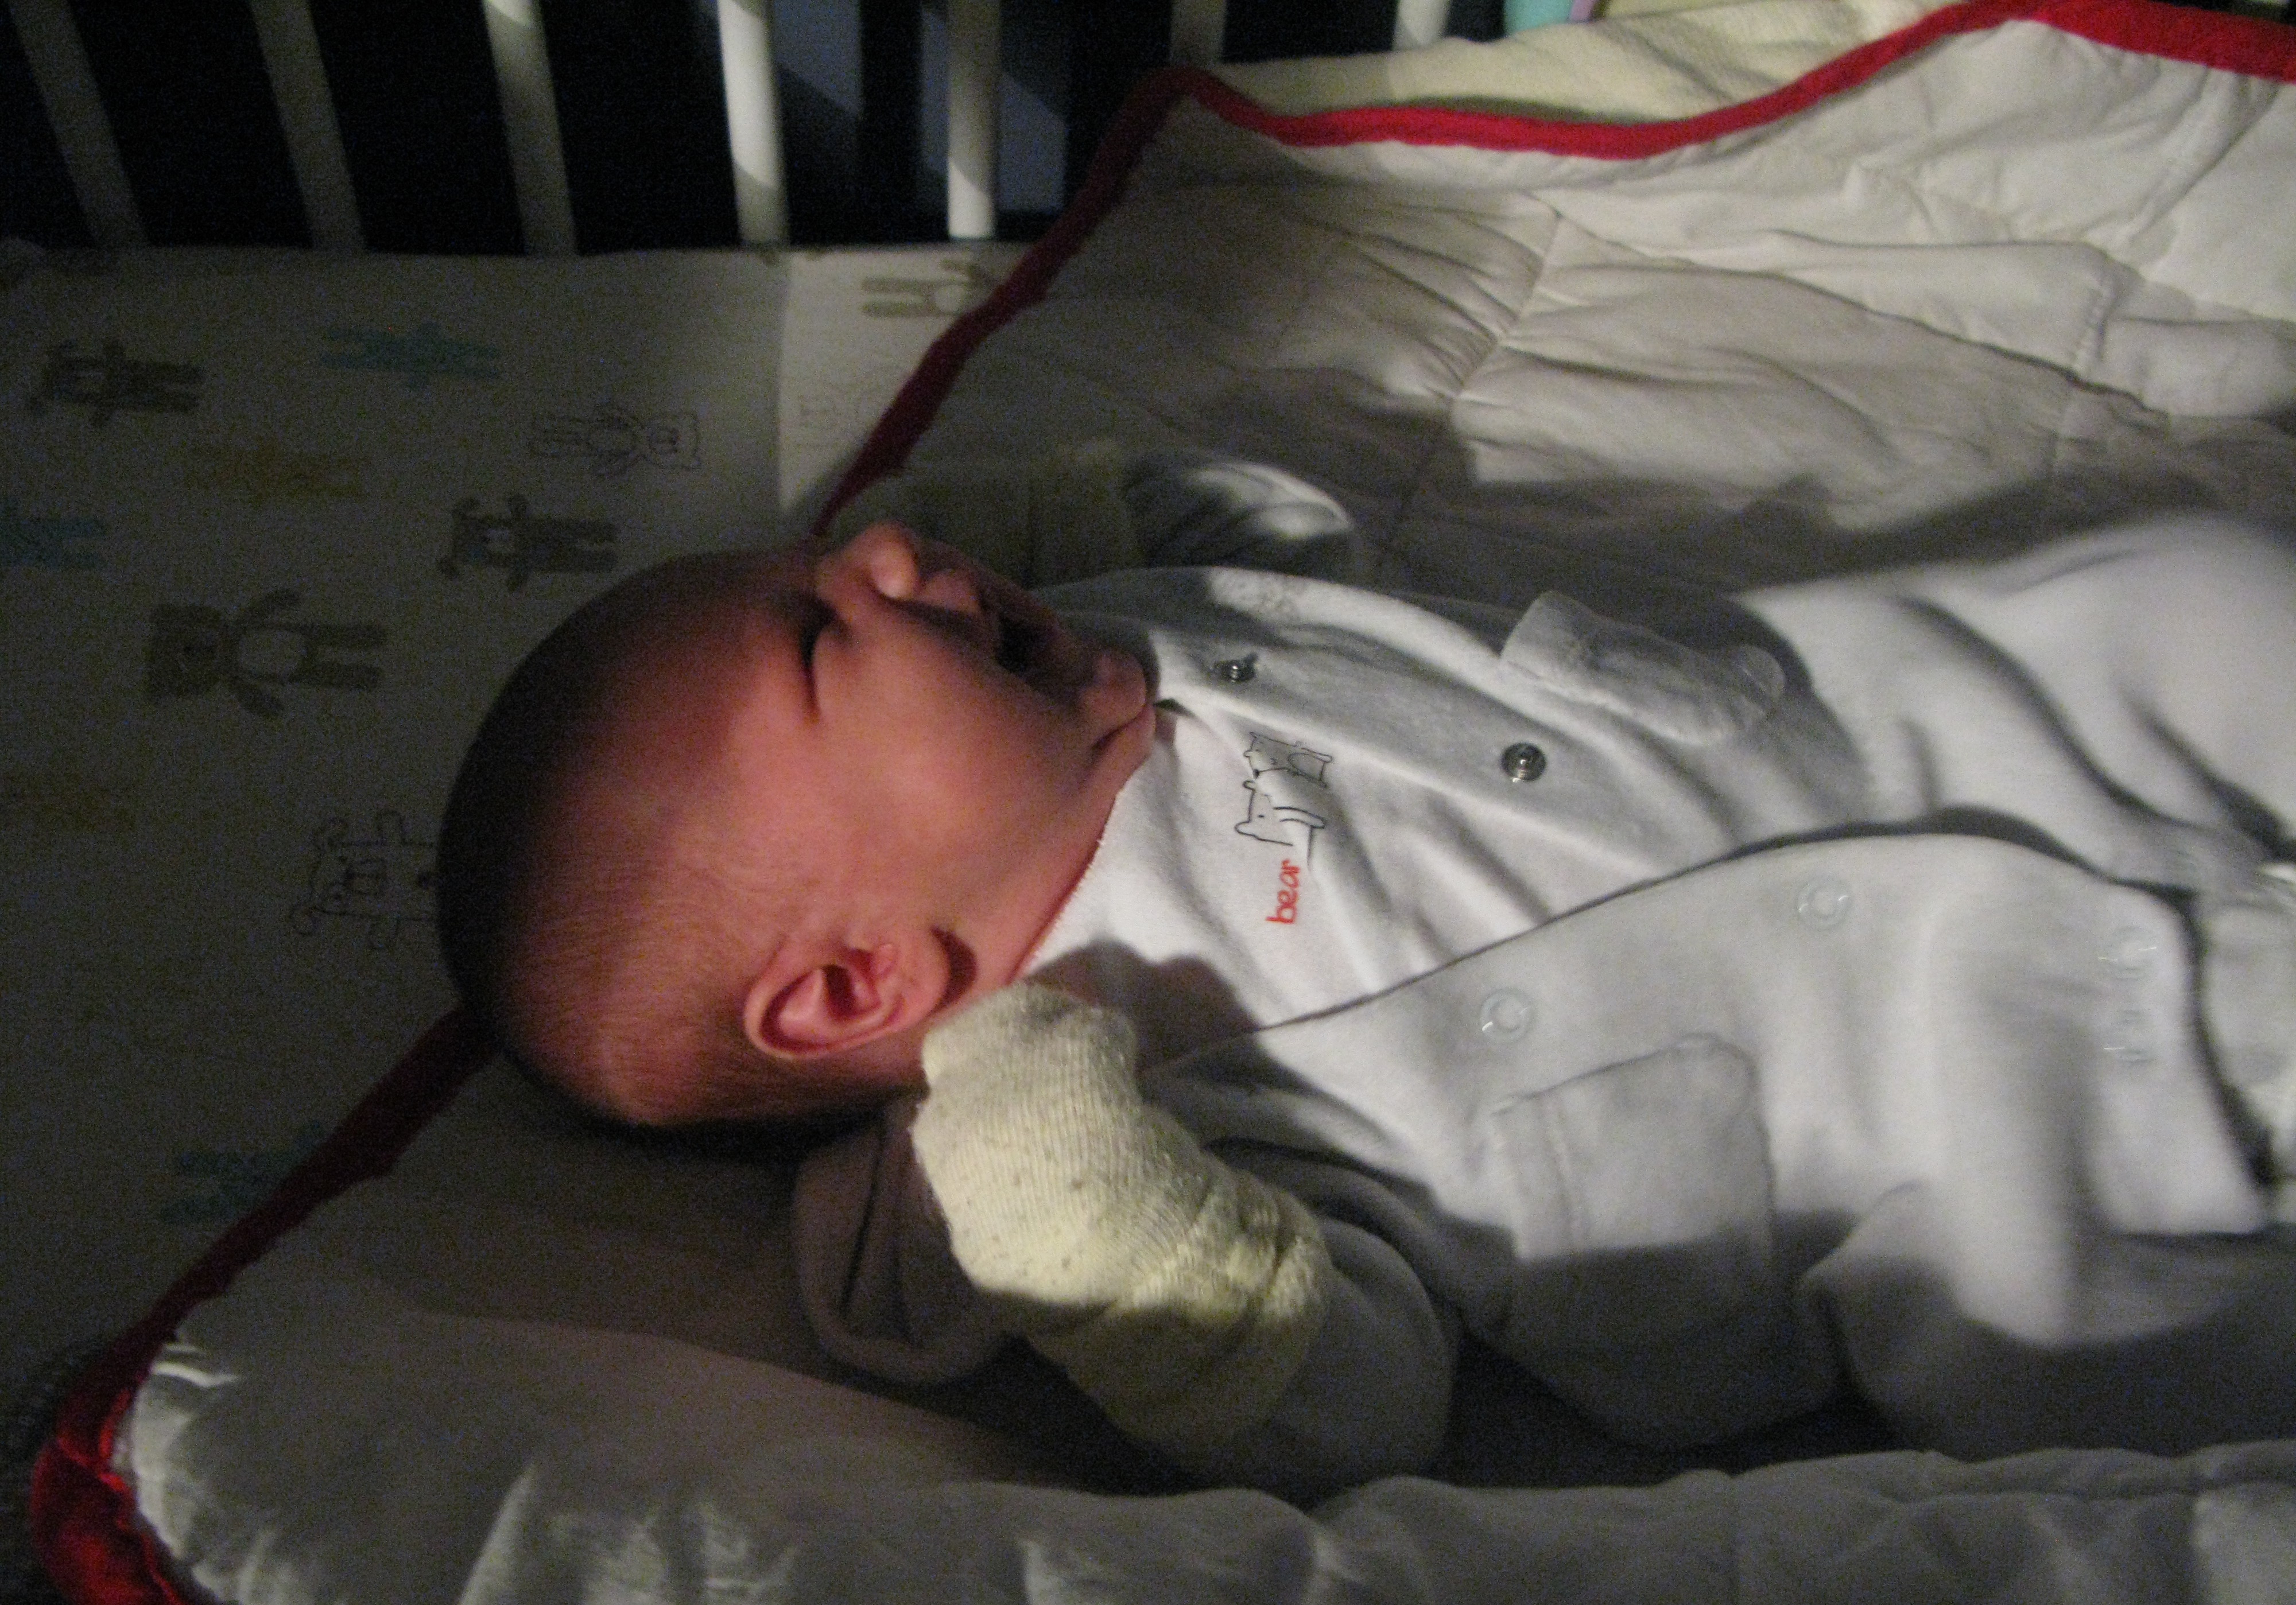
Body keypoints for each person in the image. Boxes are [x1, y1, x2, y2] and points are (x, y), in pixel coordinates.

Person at [437, 491, 2296, 1501]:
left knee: (2208, 586)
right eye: (820, 631)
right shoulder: (1119, 1113)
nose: (886, 555)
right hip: (1932, 1115)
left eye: (825, 554)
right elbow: (1358, 1398)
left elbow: (1279, 541)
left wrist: (1123, 511)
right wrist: (1139, 1256)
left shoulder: (1113, 637)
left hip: (1930, 721)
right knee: (2109, 1339)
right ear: (853, 983)